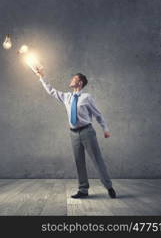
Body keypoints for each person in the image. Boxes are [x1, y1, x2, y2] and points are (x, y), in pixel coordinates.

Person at [31, 65, 116, 199]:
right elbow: (51, 91)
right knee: (79, 161)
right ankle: (83, 190)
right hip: (74, 134)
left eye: (74, 79)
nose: (71, 80)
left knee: (97, 160)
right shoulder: (66, 97)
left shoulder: (87, 97)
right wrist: (42, 76)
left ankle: (109, 187)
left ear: (80, 82)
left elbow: (98, 115)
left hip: (87, 132)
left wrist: (105, 129)